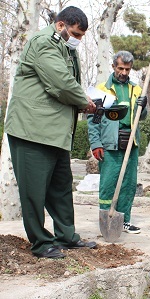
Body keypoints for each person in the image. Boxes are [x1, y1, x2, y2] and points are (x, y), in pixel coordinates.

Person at [5, 6, 98, 259]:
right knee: (34, 191)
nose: (77, 39)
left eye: (81, 36)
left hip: (54, 132)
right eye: (75, 33)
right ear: (60, 25)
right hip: (31, 130)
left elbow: (70, 84)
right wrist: (85, 101)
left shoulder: (65, 47)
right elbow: (61, 83)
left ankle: (66, 237)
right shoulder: (44, 42)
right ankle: (41, 243)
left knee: (61, 187)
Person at [87, 51, 147, 234]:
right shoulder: (102, 89)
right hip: (110, 143)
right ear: (113, 67)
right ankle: (106, 219)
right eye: (120, 68)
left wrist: (143, 107)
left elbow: (141, 117)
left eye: (127, 69)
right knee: (109, 182)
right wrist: (96, 143)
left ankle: (125, 220)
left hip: (131, 142)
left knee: (129, 183)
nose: (123, 72)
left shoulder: (136, 89)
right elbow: (93, 119)